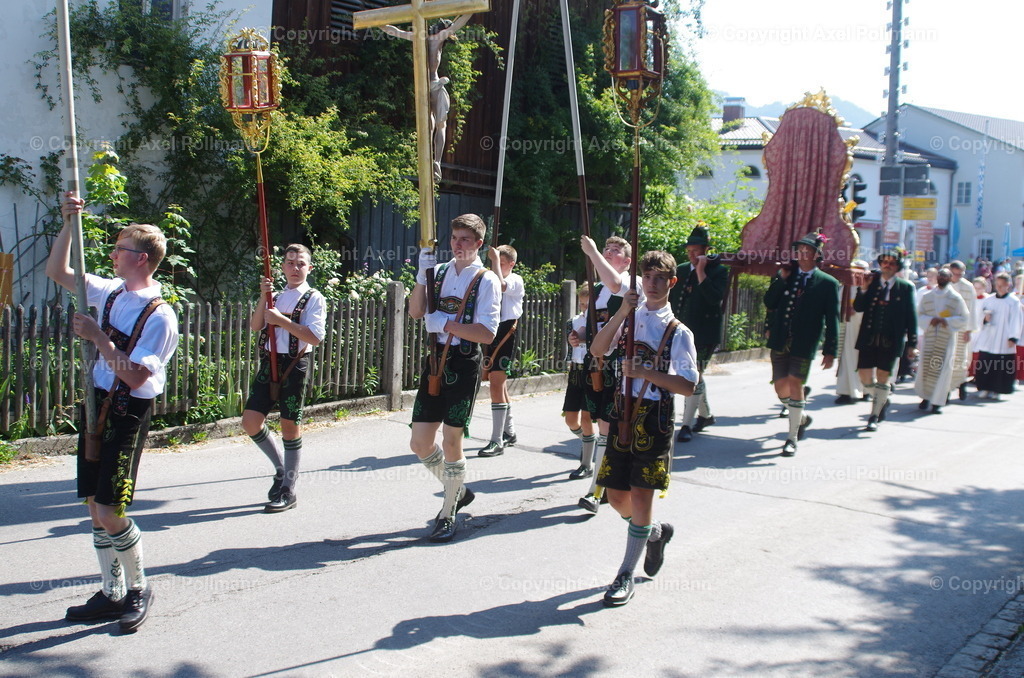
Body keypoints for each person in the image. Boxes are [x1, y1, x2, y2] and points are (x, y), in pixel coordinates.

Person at [48, 192, 179, 633]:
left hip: (126, 411)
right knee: (93, 504)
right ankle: (112, 590)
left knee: (110, 509)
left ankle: (139, 588)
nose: (112, 254)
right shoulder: (108, 290)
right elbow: (57, 271)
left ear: (141, 259)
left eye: (120, 248)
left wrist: (100, 339)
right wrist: (70, 222)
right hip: (95, 407)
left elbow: (138, 378)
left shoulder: (160, 315)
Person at [589, 250, 698, 607]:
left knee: (640, 494)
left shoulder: (679, 333)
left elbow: (687, 385)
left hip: (655, 417)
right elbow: (598, 349)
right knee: (616, 496)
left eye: (659, 278)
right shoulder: (630, 318)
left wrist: (647, 373)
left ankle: (624, 574)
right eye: (647, 277)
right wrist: (622, 310)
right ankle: (653, 533)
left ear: (671, 282)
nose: (652, 284)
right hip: (621, 412)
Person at [409, 214, 501, 542]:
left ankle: (448, 512)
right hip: (435, 361)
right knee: (419, 442)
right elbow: (415, 311)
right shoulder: (440, 271)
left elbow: (488, 333)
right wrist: (422, 276)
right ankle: (457, 490)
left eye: (465, 239)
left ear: (479, 244)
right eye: (454, 238)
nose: (457, 244)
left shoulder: (486, 279)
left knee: (451, 440)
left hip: (463, 363)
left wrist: (446, 325)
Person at [241, 244, 326, 513]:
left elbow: (314, 337)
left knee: (290, 425)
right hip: (269, 363)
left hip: (294, 365)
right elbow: (256, 326)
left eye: (300, 263)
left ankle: (289, 489)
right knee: (250, 422)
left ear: (309, 268)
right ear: (282, 267)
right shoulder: (274, 296)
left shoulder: (314, 298)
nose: (294, 268)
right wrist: (264, 297)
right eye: (289, 263)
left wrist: (281, 320)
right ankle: (280, 469)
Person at [577, 235, 644, 513]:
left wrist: (592, 253)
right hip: (597, 364)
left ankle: (596, 490)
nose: (608, 252)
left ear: (627, 261)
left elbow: (616, 283)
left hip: (621, 365)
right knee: (599, 423)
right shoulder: (597, 289)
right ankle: (605, 485)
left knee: (607, 425)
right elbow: (595, 326)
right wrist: (578, 334)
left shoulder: (631, 282)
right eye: (606, 249)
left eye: (615, 251)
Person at [763, 232, 840, 456]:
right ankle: (802, 418)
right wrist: (781, 279)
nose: (803, 254)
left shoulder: (828, 283)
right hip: (780, 340)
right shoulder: (787, 275)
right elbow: (770, 302)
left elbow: (832, 318)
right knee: (780, 388)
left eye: (808, 251)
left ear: (817, 255)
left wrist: (830, 350)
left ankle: (791, 437)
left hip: (804, 344)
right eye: (800, 250)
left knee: (795, 384)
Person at [381, 15, 472, 182]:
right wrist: (471, 10)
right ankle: (435, 160)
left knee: (430, 125)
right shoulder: (439, 38)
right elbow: (459, 24)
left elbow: (394, 31)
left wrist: (378, 23)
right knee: (440, 125)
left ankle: (430, 160)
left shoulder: (419, 37)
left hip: (423, 88)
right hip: (433, 84)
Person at [668, 224, 728, 443]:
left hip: (705, 333)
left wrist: (702, 272)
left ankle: (686, 424)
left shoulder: (718, 271)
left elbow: (714, 299)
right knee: (691, 373)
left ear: (706, 250)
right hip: (681, 332)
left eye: (696, 250)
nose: (692, 255)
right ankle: (705, 414)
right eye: (689, 251)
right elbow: (672, 299)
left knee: (693, 374)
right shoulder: (682, 270)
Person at [853, 246, 918, 432]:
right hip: (869, 337)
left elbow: (911, 317)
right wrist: (863, 289)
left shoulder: (905, 288)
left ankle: (874, 415)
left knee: (883, 377)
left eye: (891, 263)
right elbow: (858, 307)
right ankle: (882, 397)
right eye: (884, 262)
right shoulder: (871, 283)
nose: (887, 266)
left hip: (891, 340)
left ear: (897, 267)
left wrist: (912, 343)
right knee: (864, 376)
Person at [478, 245, 525, 457]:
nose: (497, 265)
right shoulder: (491, 275)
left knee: (496, 383)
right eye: (496, 261)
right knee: (498, 383)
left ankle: (497, 440)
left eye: (502, 262)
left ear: (511, 264)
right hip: (491, 328)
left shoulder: (516, 280)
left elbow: (502, 285)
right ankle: (510, 430)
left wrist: (495, 262)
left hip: (507, 331)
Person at [915, 267, 969, 413]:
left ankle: (938, 401)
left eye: (946, 277)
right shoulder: (927, 296)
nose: (942, 279)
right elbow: (919, 315)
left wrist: (948, 321)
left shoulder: (956, 298)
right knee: (926, 367)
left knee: (942, 369)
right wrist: (930, 319)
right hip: (930, 337)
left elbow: (964, 317)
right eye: (941, 276)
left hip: (946, 338)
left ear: (950, 279)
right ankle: (925, 397)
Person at [563, 283, 598, 479]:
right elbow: (571, 348)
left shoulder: (598, 322)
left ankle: (586, 464)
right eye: (582, 304)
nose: (584, 308)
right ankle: (588, 442)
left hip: (590, 370)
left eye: (588, 304)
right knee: (570, 419)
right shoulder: (573, 321)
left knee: (586, 418)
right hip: (575, 370)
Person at [974, 272, 1022, 400]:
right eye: (998, 285)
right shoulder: (989, 300)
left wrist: (1013, 337)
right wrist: (985, 319)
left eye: (1002, 285)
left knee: (1001, 365)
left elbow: (1016, 320)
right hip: (989, 336)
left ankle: (998, 390)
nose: (999, 288)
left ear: (1008, 285)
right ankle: (985, 387)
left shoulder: (1013, 301)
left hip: (1004, 337)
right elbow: (979, 317)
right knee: (986, 362)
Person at [834, 259, 870, 405]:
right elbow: (837, 304)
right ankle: (846, 391)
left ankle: (866, 390)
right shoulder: (845, 288)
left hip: (863, 329)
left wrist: (857, 311)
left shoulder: (869, 288)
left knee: (865, 359)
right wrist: (845, 310)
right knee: (846, 359)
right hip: (848, 329)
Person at [947, 261, 977, 401]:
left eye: (961, 274)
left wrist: (969, 330)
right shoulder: (944, 284)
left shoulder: (968, 287)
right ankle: (945, 390)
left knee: (960, 359)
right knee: (945, 360)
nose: (957, 277)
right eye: (955, 274)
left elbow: (972, 309)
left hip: (961, 330)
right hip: (946, 329)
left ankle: (961, 385)